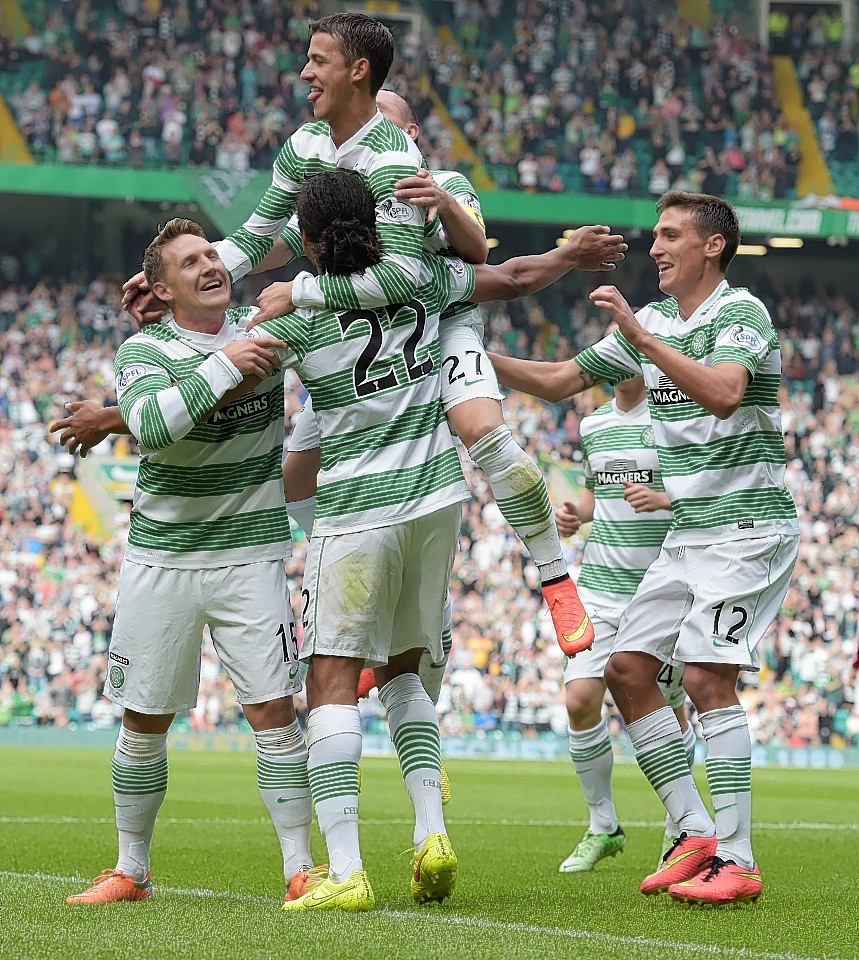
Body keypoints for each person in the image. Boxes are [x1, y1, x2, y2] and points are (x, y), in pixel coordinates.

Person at [250, 171, 629, 912]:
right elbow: (513, 275)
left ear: (309, 239)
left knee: (328, 683)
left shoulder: (295, 317)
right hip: (437, 501)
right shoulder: (424, 280)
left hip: (359, 508)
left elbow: (231, 381)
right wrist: (567, 256)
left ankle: (347, 870)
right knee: (402, 669)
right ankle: (430, 832)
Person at [490, 191, 799, 906]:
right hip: (689, 533)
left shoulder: (737, 313)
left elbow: (723, 394)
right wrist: (475, 359)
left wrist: (639, 335)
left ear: (711, 246)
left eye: (669, 236)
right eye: (655, 236)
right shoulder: (652, 321)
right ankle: (693, 829)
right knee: (627, 671)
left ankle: (738, 858)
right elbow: (562, 381)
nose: (655, 248)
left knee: (703, 680)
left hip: (746, 530)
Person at [64, 219, 314, 906]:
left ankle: (301, 867)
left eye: (212, 253)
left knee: (273, 712)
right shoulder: (145, 349)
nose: (209, 264)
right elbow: (149, 425)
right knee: (144, 720)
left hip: (250, 552)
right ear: (163, 289)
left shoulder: (268, 326)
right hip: (162, 557)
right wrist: (228, 364)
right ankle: (130, 870)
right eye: (189, 261)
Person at [552, 370, 695, 873]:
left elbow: (704, 491)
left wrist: (666, 498)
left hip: (660, 589)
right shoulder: (594, 426)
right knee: (579, 699)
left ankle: (683, 828)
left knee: (671, 711)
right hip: (599, 589)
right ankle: (603, 825)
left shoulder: (673, 420)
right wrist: (577, 515)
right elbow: (596, 495)